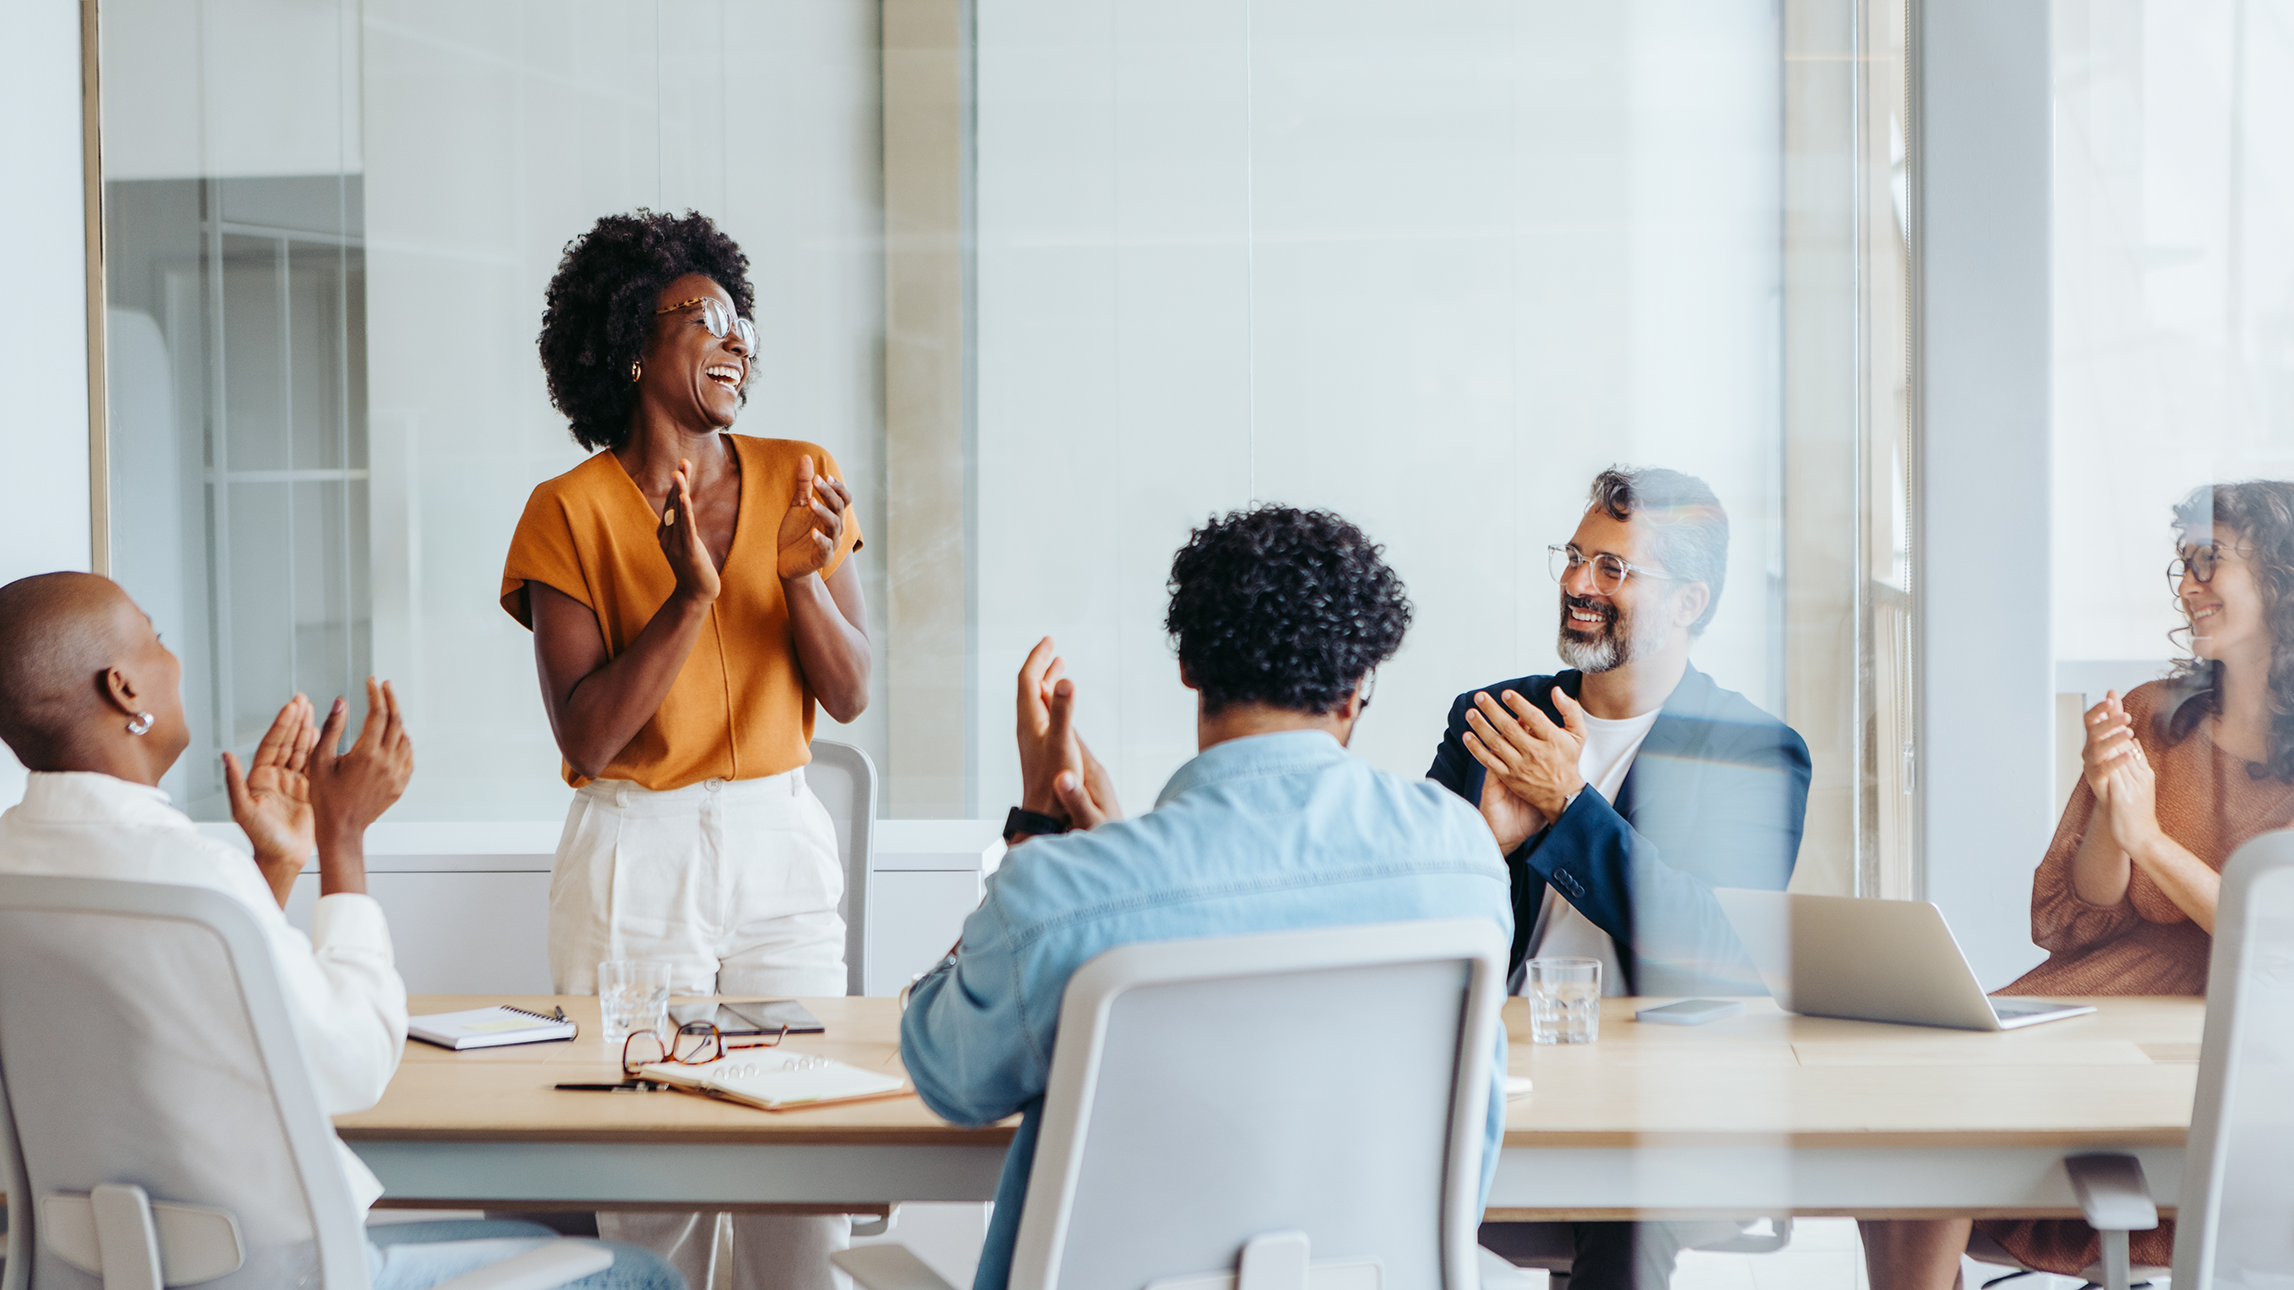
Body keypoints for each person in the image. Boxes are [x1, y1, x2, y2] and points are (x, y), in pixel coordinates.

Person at [0, 572, 680, 1290]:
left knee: (529, 1236)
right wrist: (342, 840)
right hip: (283, 1273)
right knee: (637, 1274)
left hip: (113, 1269)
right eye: (156, 640)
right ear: (124, 691)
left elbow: (176, 1008)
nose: (173, 660)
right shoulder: (191, 872)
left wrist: (277, 860)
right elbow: (355, 1067)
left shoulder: (30, 871)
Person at [900, 506, 1515, 1290]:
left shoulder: (1067, 892)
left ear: (1189, 664)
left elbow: (951, 1078)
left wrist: (1038, 838)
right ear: (1359, 683)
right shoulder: (1458, 859)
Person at [503, 209, 868, 1290]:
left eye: (741, 318)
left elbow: (847, 694)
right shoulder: (565, 512)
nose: (736, 338)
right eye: (702, 316)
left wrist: (798, 576)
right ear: (629, 341)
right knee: (652, 1181)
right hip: (635, 857)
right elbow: (586, 732)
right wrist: (690, 600)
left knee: (798, 1163)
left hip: (776, 847)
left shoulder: (803, 475)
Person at [1860, 480, 2294, 1290]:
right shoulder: (2154, 712)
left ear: (2283, 576)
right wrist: (2108, 799)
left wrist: (2151, 839)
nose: (2189, 585)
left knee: (1928, 1137)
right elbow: (2075, 919)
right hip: (2095, 1001)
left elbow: (2278, 936)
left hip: (2224, 1058)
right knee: (1896, 1118)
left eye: (2210, 562)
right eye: (2183, 565)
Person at [1430, 467, 1810, 1290]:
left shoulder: (1751, 749)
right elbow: (1411, 915)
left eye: (1613, 568)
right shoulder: (1495, 719)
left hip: (1660, 1089)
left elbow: (1713, 944)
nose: (1577, 583)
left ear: (1688, 602)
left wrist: (1569, 808)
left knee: (1629, 1212)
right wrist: (1485, 846)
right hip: (1495, 1067)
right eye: (1574, 556)